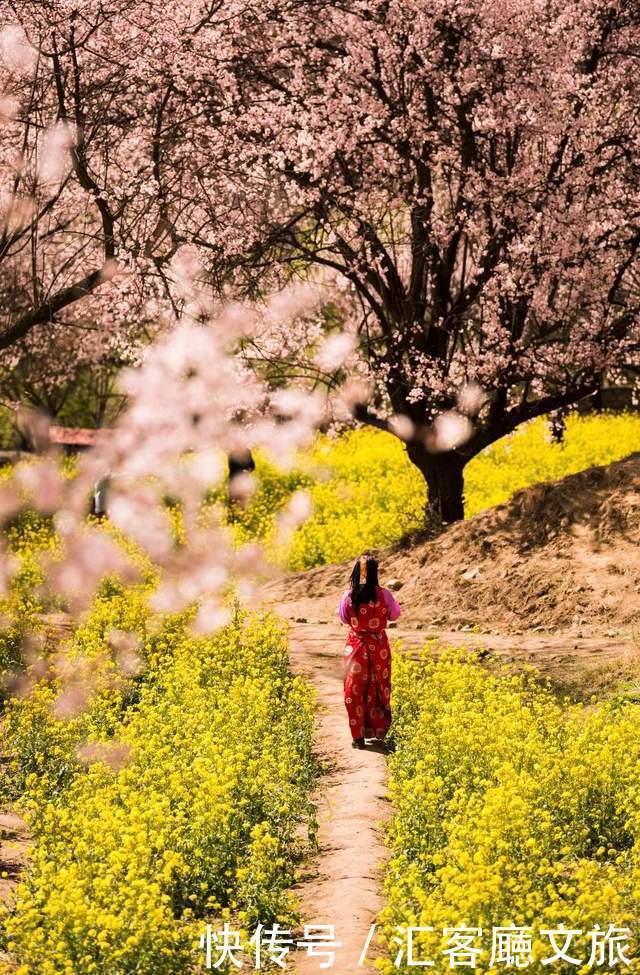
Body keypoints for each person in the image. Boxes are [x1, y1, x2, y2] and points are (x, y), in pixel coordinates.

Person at [337, 555, 401, 751]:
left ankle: (358, 737)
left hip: (355, 646)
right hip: (379, 647)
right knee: (379, 687)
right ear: (374, 573)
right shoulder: (384, 595)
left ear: (357, 572)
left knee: (354, 689)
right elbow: (395, 615)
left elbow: (344, 618)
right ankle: (377, 732)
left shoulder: (348, 595)